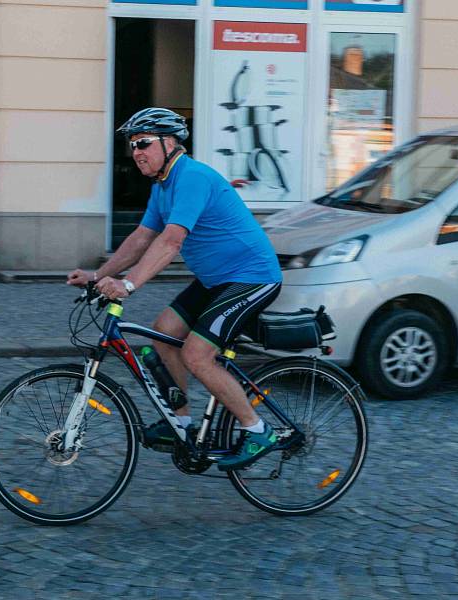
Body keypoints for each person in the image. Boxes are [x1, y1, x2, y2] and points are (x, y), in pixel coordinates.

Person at [67, 107, 291, 471]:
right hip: (216, 280)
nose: (136, 152)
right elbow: (142, 239)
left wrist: (127, 284)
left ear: (169, 143)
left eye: (143, 143)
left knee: (197, 354)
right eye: (132, 146)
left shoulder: (192, 178)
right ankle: (181, 424)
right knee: (164, 332)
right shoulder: (163, 186)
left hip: (253, 277)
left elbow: (171, 242)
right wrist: (98, 276)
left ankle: (258, 429)